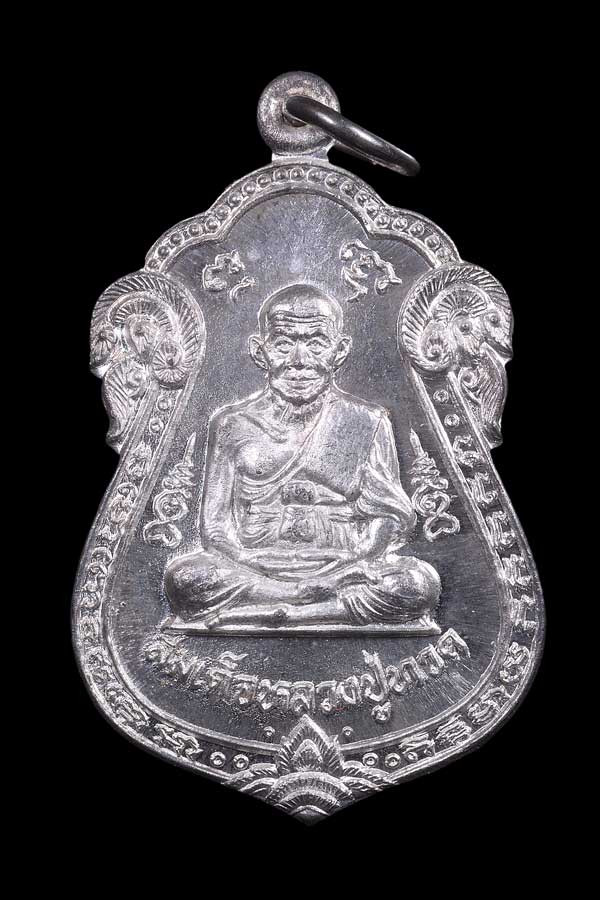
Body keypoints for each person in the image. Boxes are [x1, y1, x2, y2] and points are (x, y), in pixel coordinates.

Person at [164, 284, 441, 630]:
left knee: (416, 584)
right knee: (185, 579)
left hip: (344, 565)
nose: (299, 360)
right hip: (256, 566)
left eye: (316, 343)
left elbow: (387, 516)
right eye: (283, 344)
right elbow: (215, 527)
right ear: (260, 351)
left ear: (339, 351)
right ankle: (302, 599)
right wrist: (248, 561)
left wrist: (357, 560)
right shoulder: (232, 425)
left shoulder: (366, 421)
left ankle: (290, 613)